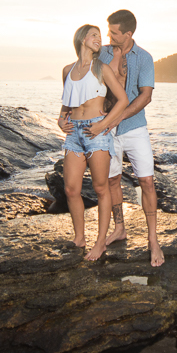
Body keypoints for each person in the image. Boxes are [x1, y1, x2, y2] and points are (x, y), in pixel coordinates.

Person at [98, 9, 164, 267]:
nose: (108, 35)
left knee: (147, 181)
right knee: (112, 180)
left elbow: (145, 96)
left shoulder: (145, 58)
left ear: (128, 33)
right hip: (106, 130)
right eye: (108, 31)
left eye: (113, 32)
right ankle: (119, 228)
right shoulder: (101, 53)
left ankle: (153, 239)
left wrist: (118, 117)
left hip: (135, 128)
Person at [57, 24, 128, 261]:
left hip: (96, 131)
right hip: (74, 134)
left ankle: (100, 243)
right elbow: (68, 101)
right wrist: (60, 118)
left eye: (100, 35)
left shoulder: (101, 68)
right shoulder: (68, 70)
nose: (99, 39)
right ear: (82, 39)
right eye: (94, 35)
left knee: (100, 188)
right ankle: (79, 238)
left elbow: (123, 100)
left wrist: (103, 124)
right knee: (71, 189)